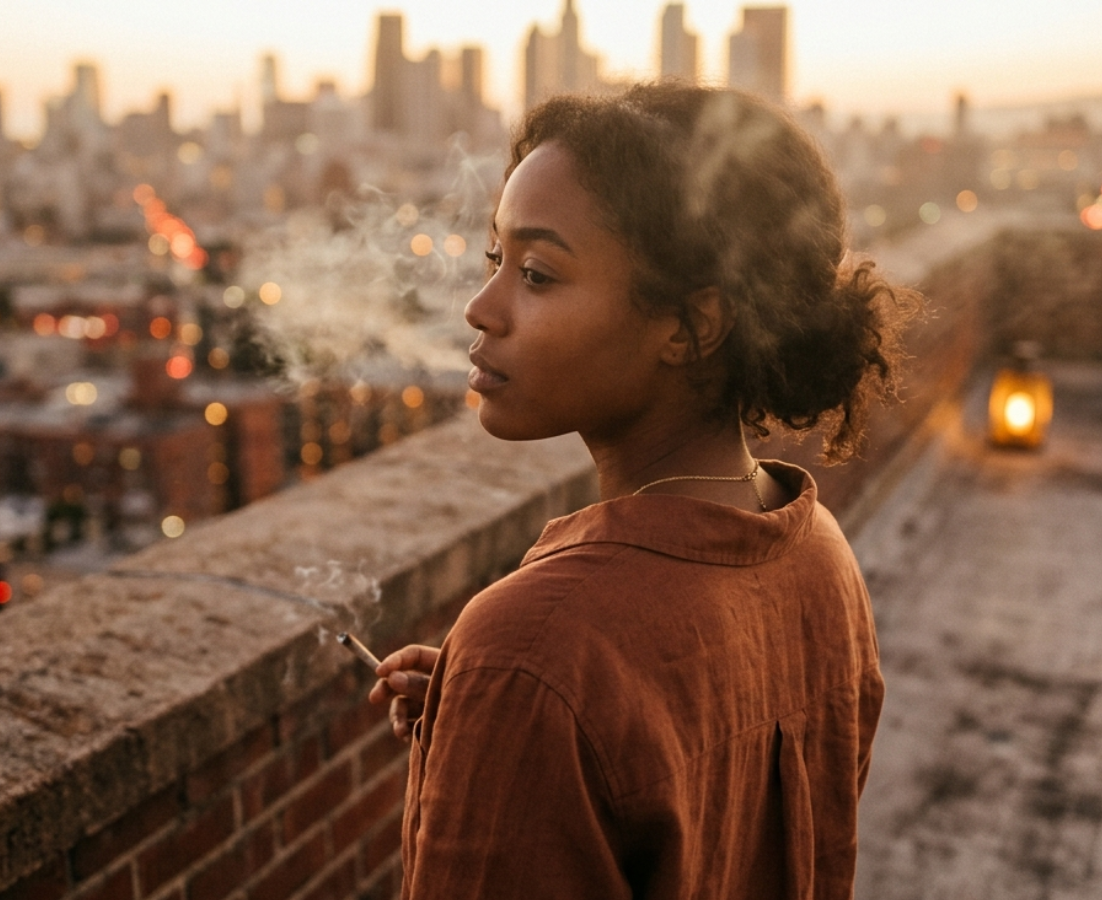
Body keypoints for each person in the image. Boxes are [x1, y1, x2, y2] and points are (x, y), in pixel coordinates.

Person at [369, 82, 919, 899]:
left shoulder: (537, 650)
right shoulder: (819, 558)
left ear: (691, 327)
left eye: (537, 273)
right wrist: (494, 719)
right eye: (495, 261)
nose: (481, 308)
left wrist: (513, 692)